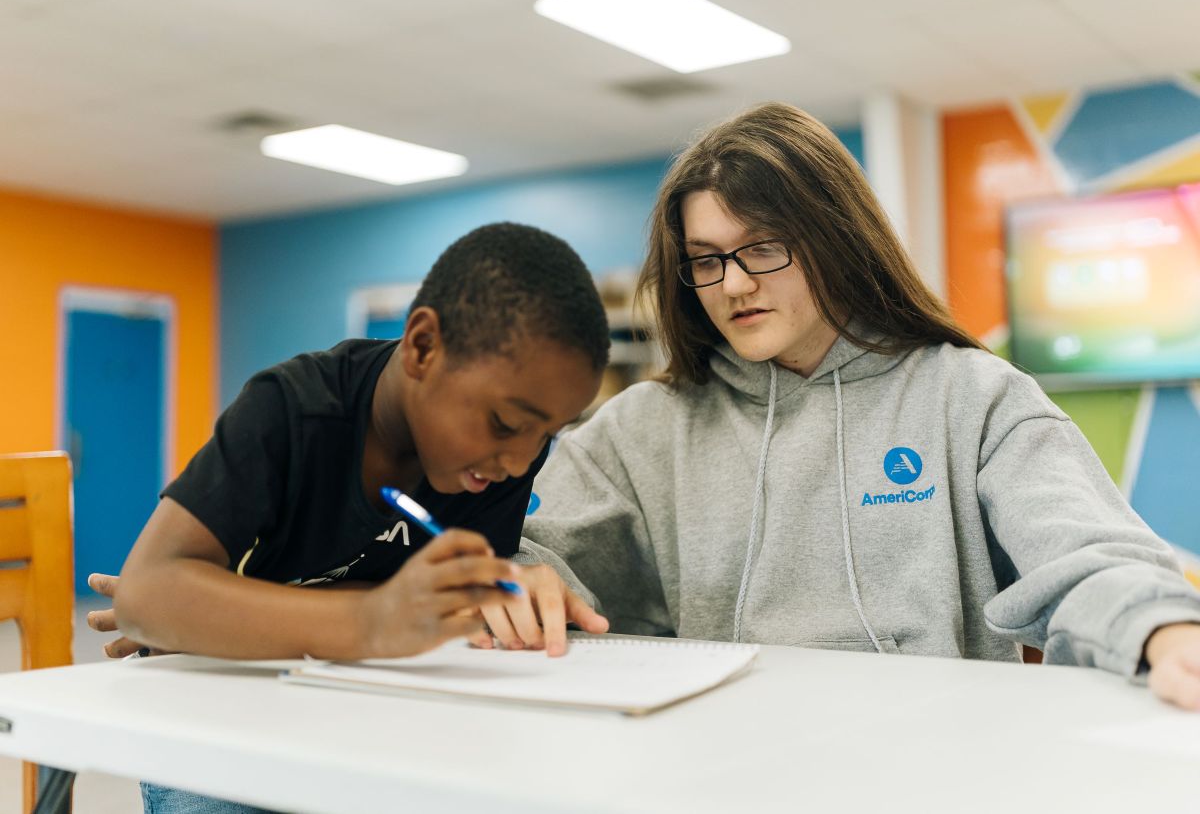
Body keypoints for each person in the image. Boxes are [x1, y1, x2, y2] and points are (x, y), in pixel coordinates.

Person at [474, 102, 1200, 711]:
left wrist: (1163, 628)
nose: (732, 285)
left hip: (935, 769)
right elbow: (529, 548)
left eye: (762, 248)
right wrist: (516, 572)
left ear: (835, 241)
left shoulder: (971, 395)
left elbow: (1087, 550)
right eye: (706, 259)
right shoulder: (645, 428)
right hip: (719, 771)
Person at [102, 222, 612, 813]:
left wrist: (486, 596)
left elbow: (445, 609)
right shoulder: (291, 410)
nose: (521, 458)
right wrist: (367, 620)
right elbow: (147, 596)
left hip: (370, 709)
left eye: (546, 434)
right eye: (505, 423)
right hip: (226, 708)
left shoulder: (496, 459)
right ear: (423, 346)